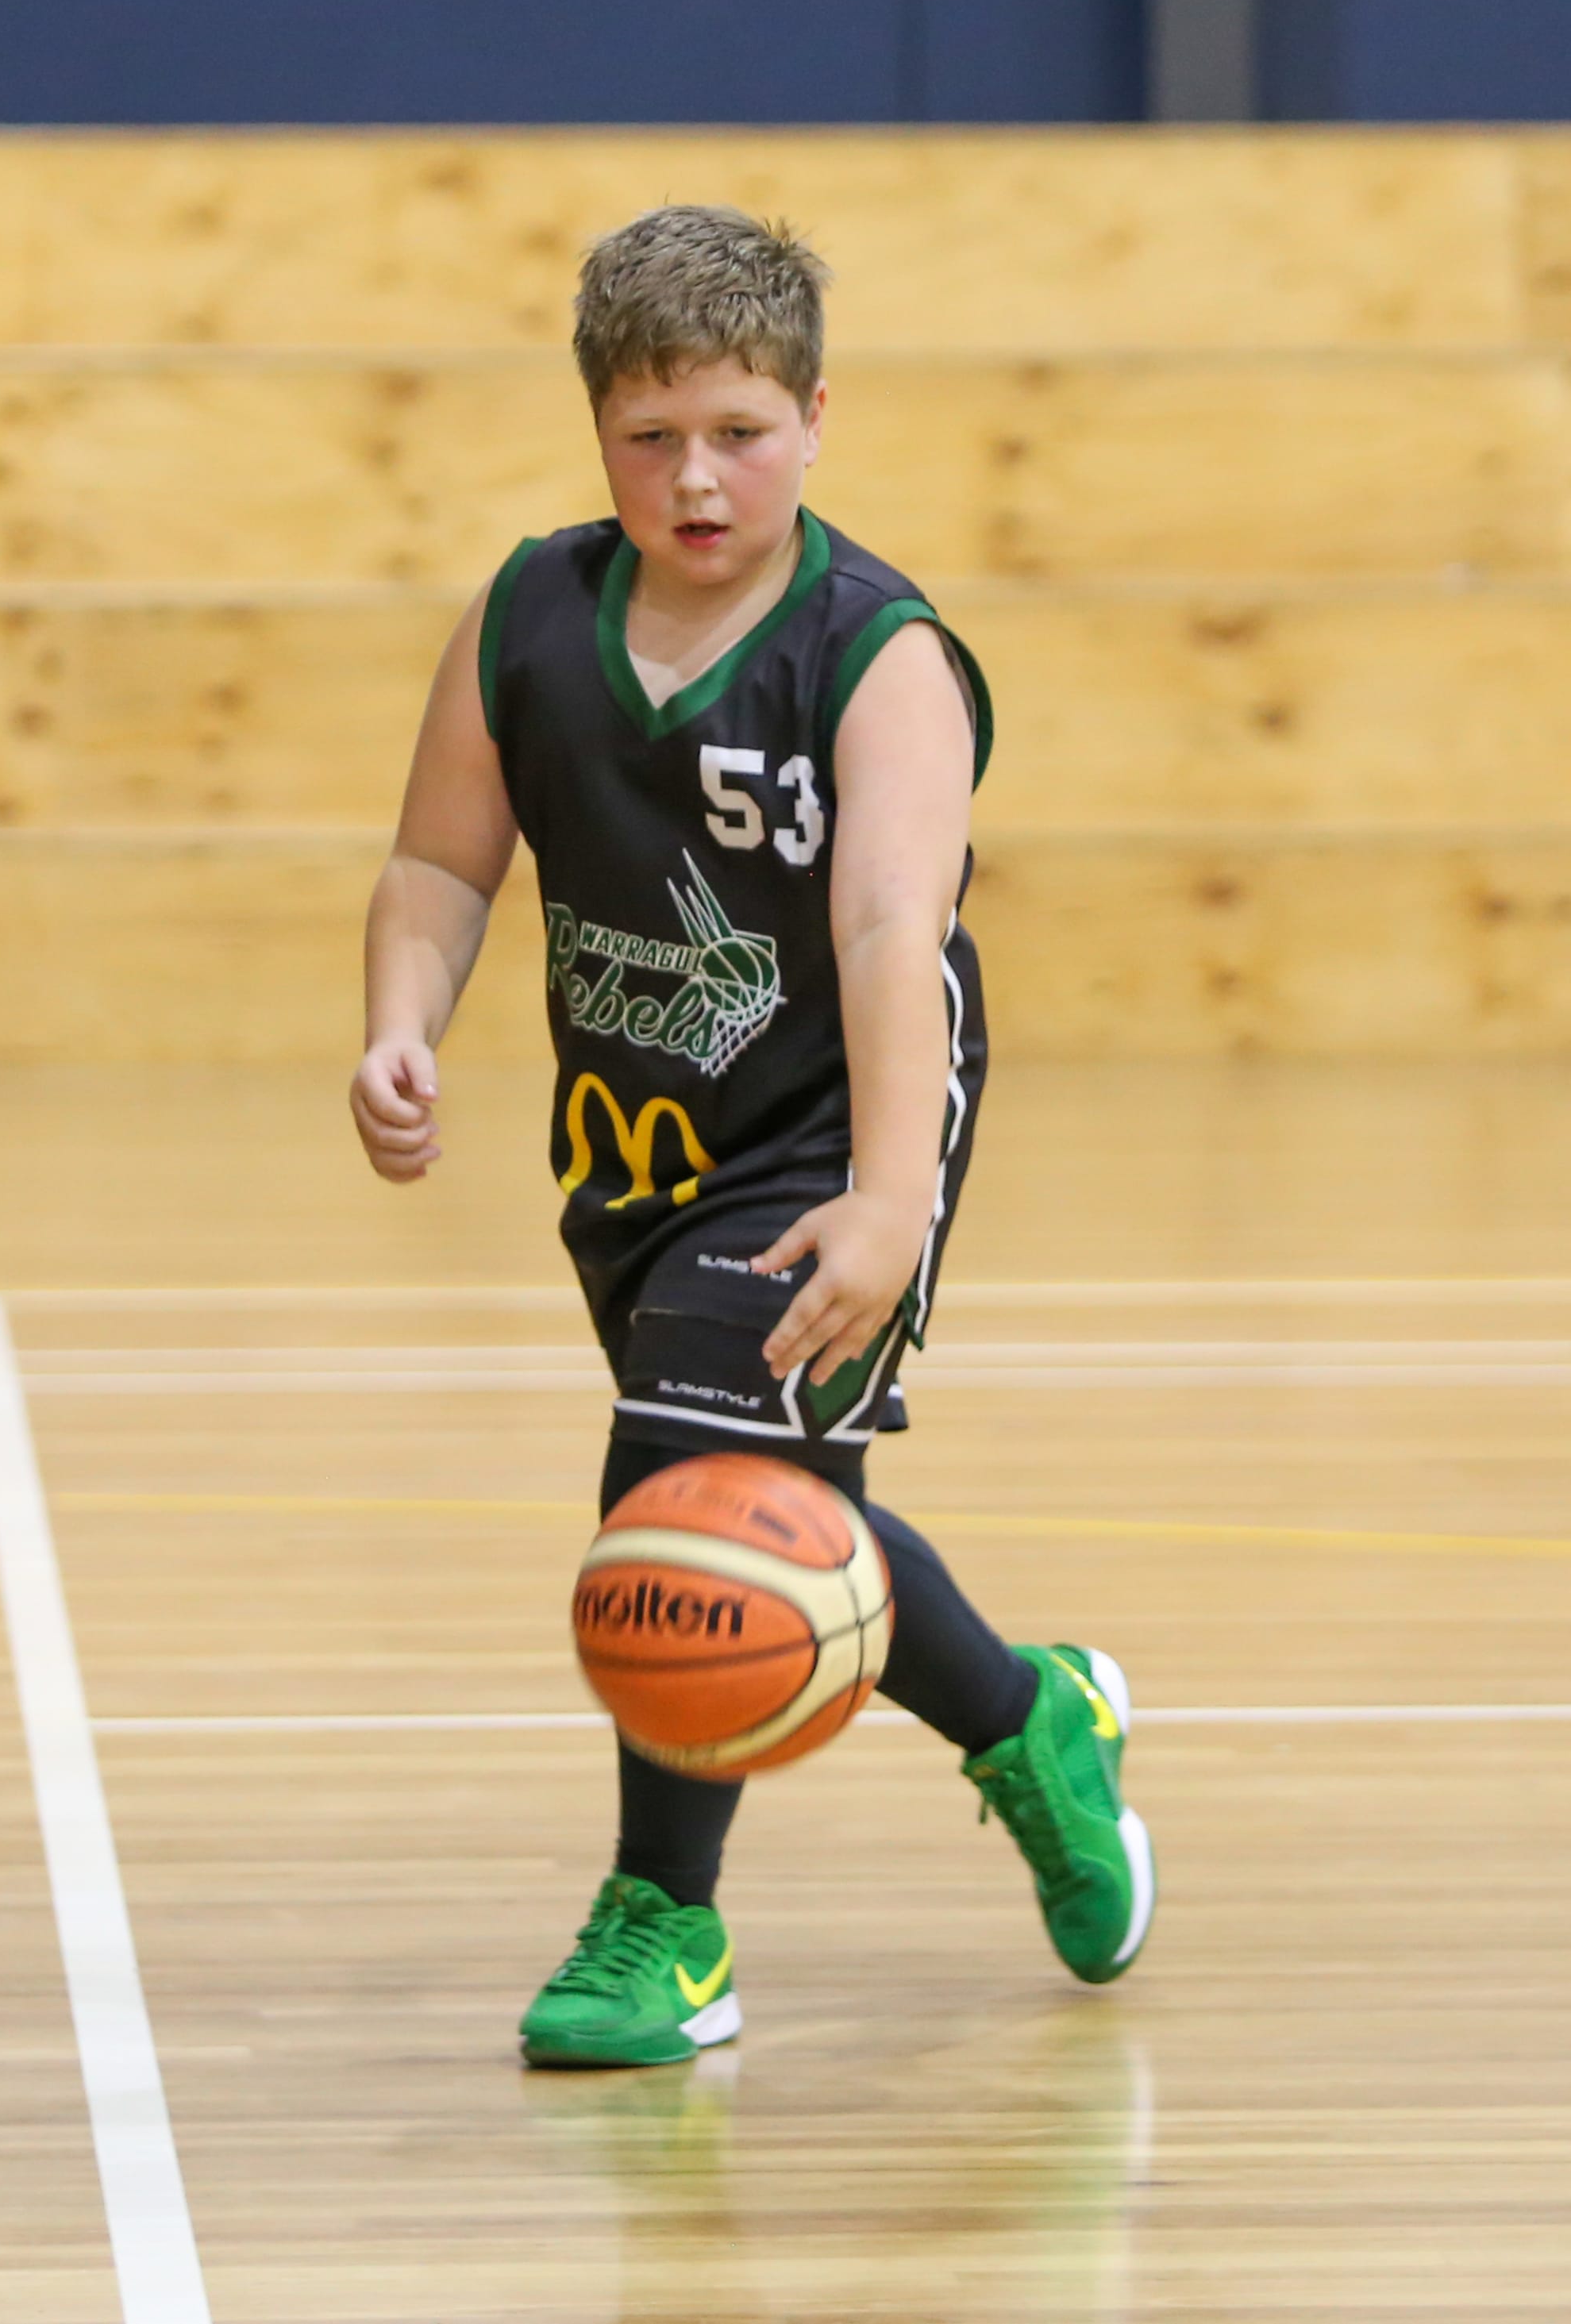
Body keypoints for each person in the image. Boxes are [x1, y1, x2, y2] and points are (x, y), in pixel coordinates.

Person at [350, 206, 1155, 2068]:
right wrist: (402, 1020)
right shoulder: (529, 619)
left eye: (738, 429)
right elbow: (434, 862)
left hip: (837, 1116)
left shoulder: (876, 656)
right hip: (638, 1148)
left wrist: (886, 1199)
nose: (695, 476)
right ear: (598, 433)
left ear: (811, 416)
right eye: (651, 437)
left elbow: (891, 932)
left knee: (676, 1486)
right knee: (786, 1519)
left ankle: (668, 1927)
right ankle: (1031, 1719)